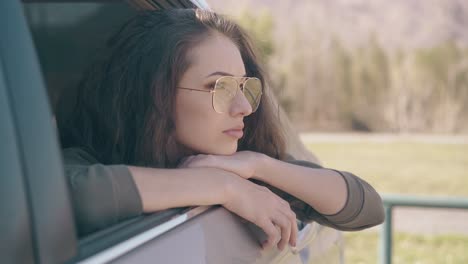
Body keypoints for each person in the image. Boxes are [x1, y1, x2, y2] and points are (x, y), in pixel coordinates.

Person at [58, 8, 384, 251]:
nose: (243, 107)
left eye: (244, 87)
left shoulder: (241, 169)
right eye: (218, 86)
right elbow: (69, 198)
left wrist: (259, 165)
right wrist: (221, 188)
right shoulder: (86, 160)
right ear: (154, 94)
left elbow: (368, 208)